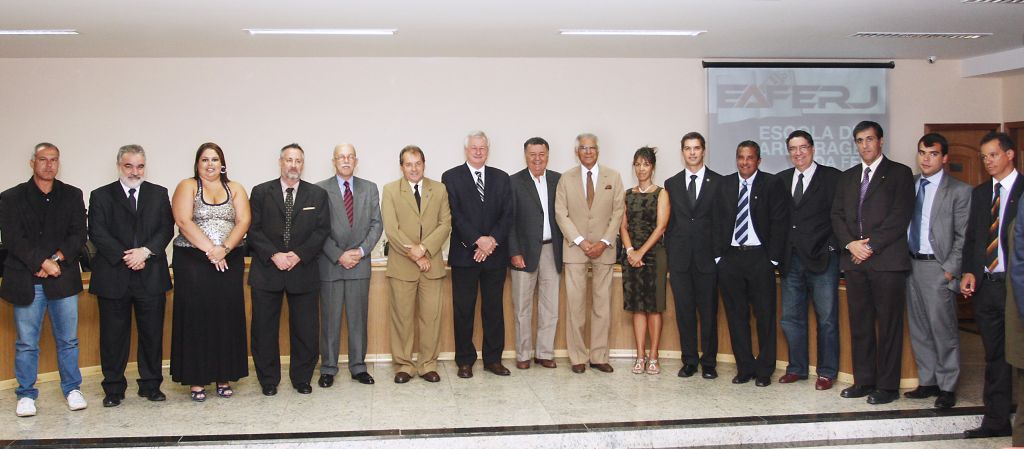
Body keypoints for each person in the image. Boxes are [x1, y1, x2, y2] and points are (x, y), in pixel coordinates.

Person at [0, 142, 88, 417]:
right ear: (32, 163)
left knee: (69, 340)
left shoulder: (72, 195)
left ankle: (72, 389)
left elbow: (78, 235)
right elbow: (13, 239)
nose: (49, 164)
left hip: (62, 278)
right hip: (27, 280)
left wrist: (55, 261)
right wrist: (43, 262)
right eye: (43, 159)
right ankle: (26, 394)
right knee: (27, 342)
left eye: (54, 160)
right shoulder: (10, 197)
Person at [831, 121, 914, 405]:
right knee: (861, 324)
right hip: (855, 262)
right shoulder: (847, 177)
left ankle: (888, 386)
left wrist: (870, 246)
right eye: (859, 140)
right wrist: (851, 244)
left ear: (880, 141)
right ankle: (864, 381)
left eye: (869, 139)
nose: (864, 145)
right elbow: (837, 215)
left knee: (889, 326)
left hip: (887, 262)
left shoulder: (900, 174)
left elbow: (899, 217)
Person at [88, 144, 174, 407]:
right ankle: (113, 388)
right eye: (129, 166)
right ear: (119, 166)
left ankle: (150, 385)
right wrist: (127, 256)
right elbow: (97, 232)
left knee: (151, 335)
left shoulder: (159, 194)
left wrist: (145, 252)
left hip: (150, 274)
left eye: (140, 166)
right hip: (114, 275)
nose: (135, 172)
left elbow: (165, 228)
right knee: (113, 336)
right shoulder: (101, 195)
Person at [170, 142, 251, 402]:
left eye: (215, 159)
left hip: (228, 260)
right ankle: (197, 379)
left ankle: (223, 376)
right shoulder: (188, 186)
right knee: (197, 317)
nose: (210, 164)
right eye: (204, 160)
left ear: (222, 163)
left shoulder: (235, 188)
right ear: (197, 163)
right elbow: (183, 221)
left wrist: (224, 249)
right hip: (193, 262)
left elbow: (244, 221)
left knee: (225, 316)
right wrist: (210, 250)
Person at [248, 144, 331, 396]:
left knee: (305, 330)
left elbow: (322, 230)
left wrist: (298, 254)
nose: (293, 165)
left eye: (298, 161)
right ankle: (268, 380)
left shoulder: (316, 195)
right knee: (264, 330)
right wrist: (274, 255)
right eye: (289, 160)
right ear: (280, 162)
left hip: (302, 270)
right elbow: (253, 229)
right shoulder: (261, 192)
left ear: (302, 165)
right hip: (267, 270)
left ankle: (301, 378)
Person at [713, 140, 788, 387]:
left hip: (760, 258)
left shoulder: (772, 183)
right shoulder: (724, 184)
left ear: (759, 160)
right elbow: (714, 222)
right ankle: (744, 367)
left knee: (765, 316)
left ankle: (765, 370)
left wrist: (772, 259)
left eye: (750, 157)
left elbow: (780, 222)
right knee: (736, 316)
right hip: (731, 258)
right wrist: (719, 257)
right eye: (741, 157)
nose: (745, 162)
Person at [903, 133, 970, 409]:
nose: (925, 158)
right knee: (919, 328)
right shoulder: (911, 185)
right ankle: (928, 381)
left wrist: (949, 271)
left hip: (937, 268)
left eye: (932, 154)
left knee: (943, 330)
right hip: (910, 265)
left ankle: (947, 386)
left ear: (944, 158)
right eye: (922, 153)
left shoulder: (959, 190)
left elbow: (963, 236)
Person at [962, 131, 1022, 438]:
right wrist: (969, 271)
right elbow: (973, 238)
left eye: (993, 155)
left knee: (1020, 357)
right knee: (994, 356)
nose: (987, 161)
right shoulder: (981, 193)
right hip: (987, 286)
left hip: (1016, 290)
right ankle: (996, 420)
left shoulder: (1023, 191)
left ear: (1010, 154)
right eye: (983, 156)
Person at [442, 131, 513, 378]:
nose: (478, 151)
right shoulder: (451, 177)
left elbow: (507, 215)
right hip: (464, 255)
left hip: (495, 256)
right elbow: (455, 214)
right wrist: (478, 241)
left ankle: (493, 359)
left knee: (494, 310)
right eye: (474, 148)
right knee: (464, 310)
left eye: (482, 148)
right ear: (466, 150)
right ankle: (464, 360)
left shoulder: (502, 178)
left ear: (488, 150)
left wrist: (491, 241)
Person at [554, 133, 625, 374]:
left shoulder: (613, 177)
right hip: (575, 249)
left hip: (604, 250)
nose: (587, 152)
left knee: (602, 306)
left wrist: (604, 241)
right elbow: (560, 214)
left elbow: (618, 212)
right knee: (575, 306)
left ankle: (599, 356)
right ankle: (577, 357)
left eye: (591, 148)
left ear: (598, 150)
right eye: (583, 148)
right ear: (577, 152)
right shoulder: (566, 179)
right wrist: (581, 241)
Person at [381, 145, 452, 384]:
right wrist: (415, 253)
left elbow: (445, 224)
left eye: (418, 163)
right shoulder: (390, 190)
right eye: (408, 164)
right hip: (402, 266)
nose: (414, 168)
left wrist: (425, 249)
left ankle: (427, 364)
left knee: (431, 318)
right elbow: (392, 229)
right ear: (401, 166)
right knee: (402, 317)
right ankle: (404, 365)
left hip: (431, 265)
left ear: (424, 164)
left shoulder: (439, 189)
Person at [776, 130, 841, 390]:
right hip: (791, 261)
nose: (798, 153)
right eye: (793, 148)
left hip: (823, 259)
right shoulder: (781, 180)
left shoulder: (832, 178)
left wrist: (833, 247)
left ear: (812, 149)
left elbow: (840, 216)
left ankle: (826, 372)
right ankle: (797, 368)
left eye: (803, 147)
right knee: (791, 318)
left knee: (826, 319)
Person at [316, 143, 382, 387]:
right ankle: (328, 368)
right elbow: (318, 229)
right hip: (331, 264)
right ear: (334, 161)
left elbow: (377, 224)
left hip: (359, 264)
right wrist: (338, 254)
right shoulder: (320, 190)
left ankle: (358, 367)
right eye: (341, 157)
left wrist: (361, 251)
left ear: (356, 160)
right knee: (330, 321)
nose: (346, 160)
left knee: (358, 320)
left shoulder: (369, 188)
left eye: (350, 157)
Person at [663, 132, 723, 379]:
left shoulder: (719, 182)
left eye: (696, 148)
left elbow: (721, 222)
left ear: (703, 150)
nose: (692, 153)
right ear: (682, 152)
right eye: (687, 148)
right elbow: (669, 223)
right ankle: (689, 361)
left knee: (708, 313)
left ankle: (709, 363)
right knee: (684, 313)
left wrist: (719, 256)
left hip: (708, 259)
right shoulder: (672, 183)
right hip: (679, 260)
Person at [508, 137, 563, 370]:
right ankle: (523, 355)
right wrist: (514, 251)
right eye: (533, 154)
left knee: (550, 306)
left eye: (541, 154)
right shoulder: (513, 182)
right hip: (523, 252)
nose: (537, 158)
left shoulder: (558, 180)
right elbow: (508, 221)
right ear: (525, 156)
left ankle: (544, 353)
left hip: (552, 249)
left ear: (547, 156)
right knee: (522, 307)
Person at [620, 147, 670, 375]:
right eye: (638, 164)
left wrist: (641, 253)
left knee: (653, 307)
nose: (641, 169)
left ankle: (654, 356)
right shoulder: (627, 194)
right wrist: (631, 250)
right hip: (631, 256)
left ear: (653, 167)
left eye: (646, 164)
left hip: (653, 255)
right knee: (637, 308)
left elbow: (661, 227)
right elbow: (623, 225)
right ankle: (640, 356)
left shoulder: (661, 193)